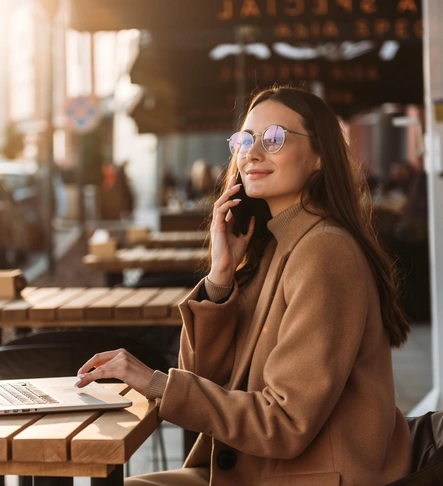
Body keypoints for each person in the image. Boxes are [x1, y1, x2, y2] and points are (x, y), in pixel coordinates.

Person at [75, 87, 412, 485]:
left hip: (311, 475)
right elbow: (206, 378)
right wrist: (221, 276)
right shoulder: (277, 245)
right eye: (245, 140)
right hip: (266, 468)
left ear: (320, 156)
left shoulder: (324, 252)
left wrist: (154, 383)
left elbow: (285, 422)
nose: (252, 152)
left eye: (274, 139)